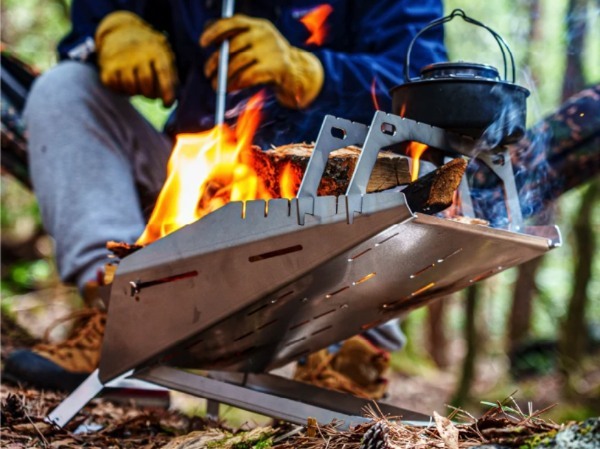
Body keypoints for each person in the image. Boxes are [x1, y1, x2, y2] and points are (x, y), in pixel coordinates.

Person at [3, 1, 446, 395]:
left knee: (392, 180)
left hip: (326, 208)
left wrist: (311, 72)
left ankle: (351, 354)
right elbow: (95, 21)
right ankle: (118, 326)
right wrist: (108, 25)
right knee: (65, 91)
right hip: (193, 188)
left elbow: (427, 85)